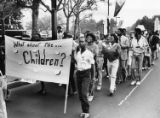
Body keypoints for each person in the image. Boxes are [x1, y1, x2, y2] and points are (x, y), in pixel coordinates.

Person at [75, 36, 95, 118]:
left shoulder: (89, 53)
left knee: (83, 93)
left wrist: (93, 77)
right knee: (80, 95)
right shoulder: (78, 53)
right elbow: (75, 62)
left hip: (86, 74)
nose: (81, 43)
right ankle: (83, 111)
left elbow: (93, 66)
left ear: (86, 43)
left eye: (83, 41)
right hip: (78, 74)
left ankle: (87, 111)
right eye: (80, 42)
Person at [85, 33, 98, 102]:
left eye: (90, 37)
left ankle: (91, 94)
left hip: (92, 65)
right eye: (87, 37)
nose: (88, 39)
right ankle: (87, 91)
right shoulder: (85, 45)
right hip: (85, 65)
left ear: (92, 38)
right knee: (86, 79)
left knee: (92, 79)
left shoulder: (95, 46)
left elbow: (95, 54)